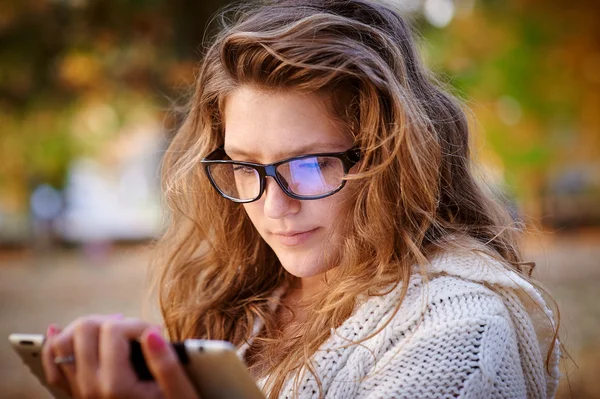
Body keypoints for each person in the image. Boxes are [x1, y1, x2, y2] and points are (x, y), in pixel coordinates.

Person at [41, 0, 561, 398]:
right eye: (245, 167)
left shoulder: (461, 329)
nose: (273, 207)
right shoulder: (246, 301)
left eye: (310, 166)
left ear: (395, 160)